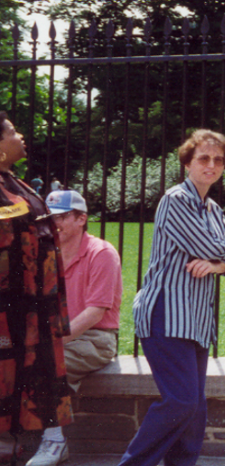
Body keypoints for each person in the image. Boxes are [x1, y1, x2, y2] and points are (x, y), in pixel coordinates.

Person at [118, 129, 225, 466]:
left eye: (218, 160)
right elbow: (220, 248)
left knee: (195, 410)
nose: (211, 165)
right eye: (203, 158)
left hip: (196, 320)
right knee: (182, 402)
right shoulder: (175, 200)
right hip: (165, 315)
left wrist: (219, 264)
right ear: (187, 163)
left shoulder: (213, 209)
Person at [27, 190, 122, 466]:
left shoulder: (101, 253)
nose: (54, 223)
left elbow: (95, 312)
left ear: (82, 219)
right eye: (50, 217)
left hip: (95, 336)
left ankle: (55, 442)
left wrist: (54, 340)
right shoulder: (44, 254)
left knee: (47, 363)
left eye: (63, 216)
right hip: (53, 334)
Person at [0, 113, 74, 464]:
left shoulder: (14, 183)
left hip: (35, 300)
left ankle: (54, 439)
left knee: (42, 362)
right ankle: (7, 441)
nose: (21, 136)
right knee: (6, 367)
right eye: (13, 131)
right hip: (8, 302)